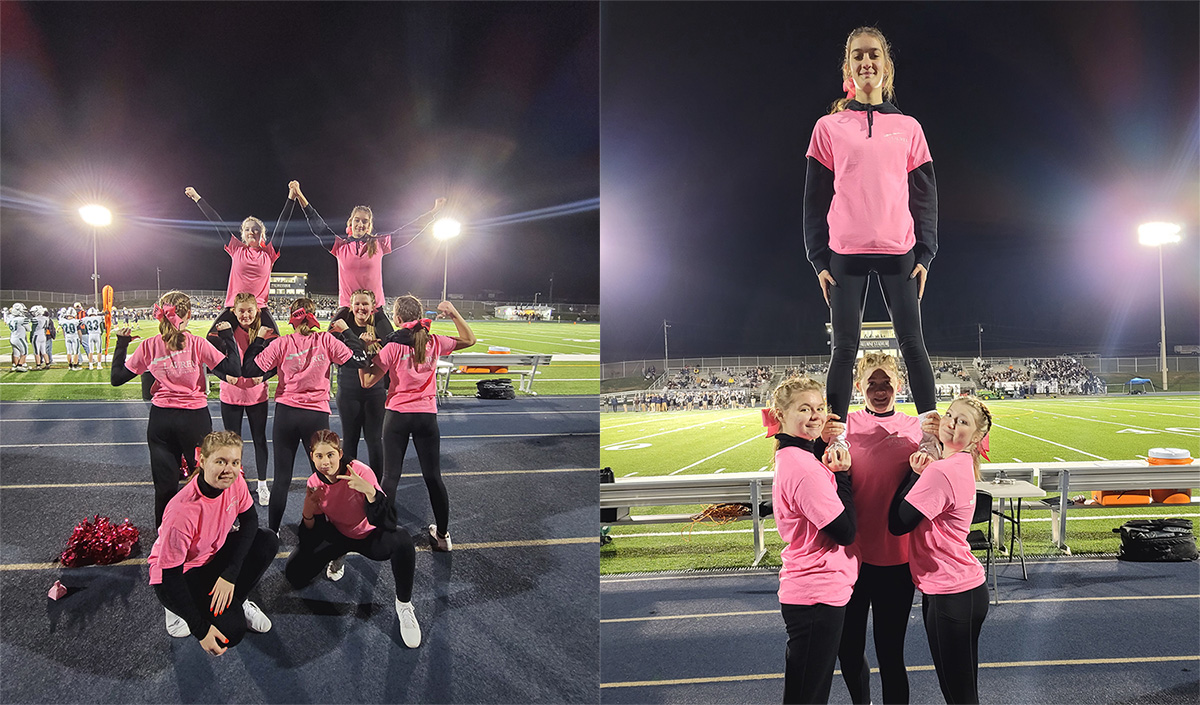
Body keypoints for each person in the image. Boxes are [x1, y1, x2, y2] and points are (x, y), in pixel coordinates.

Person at [803, 26, 940, 456]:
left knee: (913, 345)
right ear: (848, 67)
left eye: (874, 55)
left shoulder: (909, 127)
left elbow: (926, 195)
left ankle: (930, 437)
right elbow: (813, 198)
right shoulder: (828, 127)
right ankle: (835, 442)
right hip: (845, 254)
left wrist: (926, 252)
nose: (867, 63)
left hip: (899, 251)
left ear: (886, 65)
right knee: (844, 349)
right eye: (858, 56)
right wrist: (818, 259)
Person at [815, 353, 924, 704]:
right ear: (858, 386)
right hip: (850, 560)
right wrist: (820, 438)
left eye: (887, 383)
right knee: (848, 651)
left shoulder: (918, 427)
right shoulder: (840, 427)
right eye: (872, 384)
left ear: (900, 385)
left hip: (897, 558)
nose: (880, 391)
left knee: (891, 654)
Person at [889, 397, 991, 704]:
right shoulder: (958, 465)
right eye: (949, 415)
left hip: (950, 593)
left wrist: (914, 474)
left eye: (962, 421)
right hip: (964, 589)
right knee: (964, 691)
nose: (951, 423)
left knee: (958, 695)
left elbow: (898, 522)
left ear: (976, 437)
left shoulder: (940, 473)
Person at [110, 291, 242, 526]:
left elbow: (117, 378)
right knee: (205, 481)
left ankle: (165, 542)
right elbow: (233, 369)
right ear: (188, 314)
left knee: (164, 488)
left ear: (159, 315)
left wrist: (121, 345)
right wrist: (227, 335)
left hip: (161, 420)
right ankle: (206, 531)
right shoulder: (196, 343)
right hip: (195, 421)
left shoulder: (149, 345)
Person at [765, 375, 857, 704]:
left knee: (807, 690)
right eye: (804, 409)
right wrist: (843, 476)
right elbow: (845, 531)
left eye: (819, 408)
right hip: (816, 593)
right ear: (781, 415)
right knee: (808, 696)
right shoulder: (802, 467)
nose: (815, 415)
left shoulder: (796, 457)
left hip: (815, 589)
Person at [241, 297, 369, 533]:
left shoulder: (282, 343)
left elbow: (248, 369)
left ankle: (273, 533)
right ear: (314, 315)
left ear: (291, 318)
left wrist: (259, 338)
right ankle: (323, 531)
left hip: (286, 414)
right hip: (316, 416)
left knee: (281, 480)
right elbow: (361, 359)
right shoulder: (326, 340)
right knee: (322, 479)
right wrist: (348, 331)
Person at [359, 296, 475, 552]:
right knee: (433, 477)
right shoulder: (432, 341)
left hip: (397, 415)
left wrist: (366, 351)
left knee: (390, 478)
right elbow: (469, 339)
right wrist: (454, 312)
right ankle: (443, 537)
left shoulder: (393, 347)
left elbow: (367, 381)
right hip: (426, 415)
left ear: (398, 319)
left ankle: (385, 533)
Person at [284, 430, 421, 647]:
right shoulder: (313, 483)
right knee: (294, 574)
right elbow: (311, 538)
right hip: (339, 535)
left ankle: (404, 605)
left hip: (368, 535)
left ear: (339, 453)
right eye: (319, 456)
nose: (325, 462)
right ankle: (339, 555)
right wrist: (308, 512)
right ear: (312, 457)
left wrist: (371, 492)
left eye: (330, 455)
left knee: (402, 539)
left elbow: (388, 522)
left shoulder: (360, 471)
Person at [147, 431, 278, 653]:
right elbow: (170, 575)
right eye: (221, 461)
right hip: (177, 575)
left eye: (235, 462)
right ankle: (175, 611)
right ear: (203, 461)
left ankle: (239, 600)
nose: (229, 469)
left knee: (267, 541)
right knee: (231, 633)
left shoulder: (234, 483)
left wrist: (230, 575)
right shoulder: (182, 512)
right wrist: (200, 629)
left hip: (210, 557)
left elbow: (250, 521)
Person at [288, 179, 444, 326]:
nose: (360, 224)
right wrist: (300, 196)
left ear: (369, 225)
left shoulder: (379, 243)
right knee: (329, 342)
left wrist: (434, 212)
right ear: (351, 222)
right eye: (357, 220)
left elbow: (409, 231)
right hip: (347, 309)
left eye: (365, 221)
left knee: (391, 344)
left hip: (375, 310)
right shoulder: (340, 246)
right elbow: (318, 226)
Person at [183, 186, 282, 339]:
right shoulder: (236, 249)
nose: (251, 232)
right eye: (247, 229)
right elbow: (217, 223)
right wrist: (197, 198)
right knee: (212, 340)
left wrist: (291, 197)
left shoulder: (269, 253)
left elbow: (283, 225)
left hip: (259, 309)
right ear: (243, 234)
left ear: (262, 233)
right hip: (233, 308)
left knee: (277, 343)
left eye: (255, 229)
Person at [213, 293, 274, 506]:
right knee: (232, 444)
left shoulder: (265, 334)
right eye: (241, 310)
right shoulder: (225, 333)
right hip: (231, 395)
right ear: (234, 311)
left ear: (257, 310)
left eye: (250, 310)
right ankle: (235, 484)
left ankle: (262, 484)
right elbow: (213, 362)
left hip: (257, 396)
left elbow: (276, 362)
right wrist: (224, 376)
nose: (246, 314)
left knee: (259, 440)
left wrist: (263, 377)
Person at [332, 289, 394, 472]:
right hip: (348, 392)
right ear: (350, 307)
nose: (361, 308)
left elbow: (393, 349)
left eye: (365, 304)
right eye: (357, 304)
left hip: (375, 393)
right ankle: (349, 483)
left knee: (374, 440)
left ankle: (376, 486)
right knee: (349, 440)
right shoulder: (343, 328)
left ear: (373, 307)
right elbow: (332, 346)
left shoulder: (381, 327)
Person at [4, 302, 30, 372]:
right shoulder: (22, 319)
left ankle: (15, 365)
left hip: (13, 337)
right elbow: (29, 329)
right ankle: (20, 365)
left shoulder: (11, 318)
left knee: (16, 353)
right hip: (20, 338)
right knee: (24, 352)